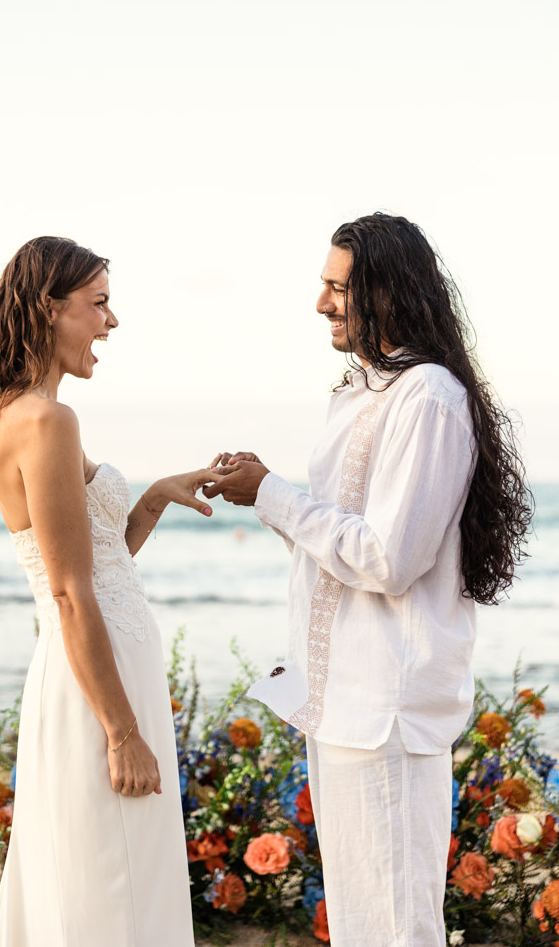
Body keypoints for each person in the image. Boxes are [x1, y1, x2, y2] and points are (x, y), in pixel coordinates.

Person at [204, 213, 532, 947]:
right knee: (361, 926)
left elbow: (389, 559)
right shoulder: (362, 392)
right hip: (341, 698)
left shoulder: (427, 398)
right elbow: (339, 537)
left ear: (388, 292)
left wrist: (273, 494)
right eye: (323, 286)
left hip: (386, 703)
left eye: (337, 288)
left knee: (395, 928)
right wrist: (263, 492)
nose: (321, 303)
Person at [0, 236, 215, 946]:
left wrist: (153, 498)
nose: (110, 322)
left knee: (107, 878)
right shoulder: (45, 420)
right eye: (98, 304)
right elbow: (68, 594)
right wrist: (121, 732)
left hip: (102, 670)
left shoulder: (25, 413)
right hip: (98, 688)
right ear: (47, 309)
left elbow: (96, 563)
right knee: (110, 888)